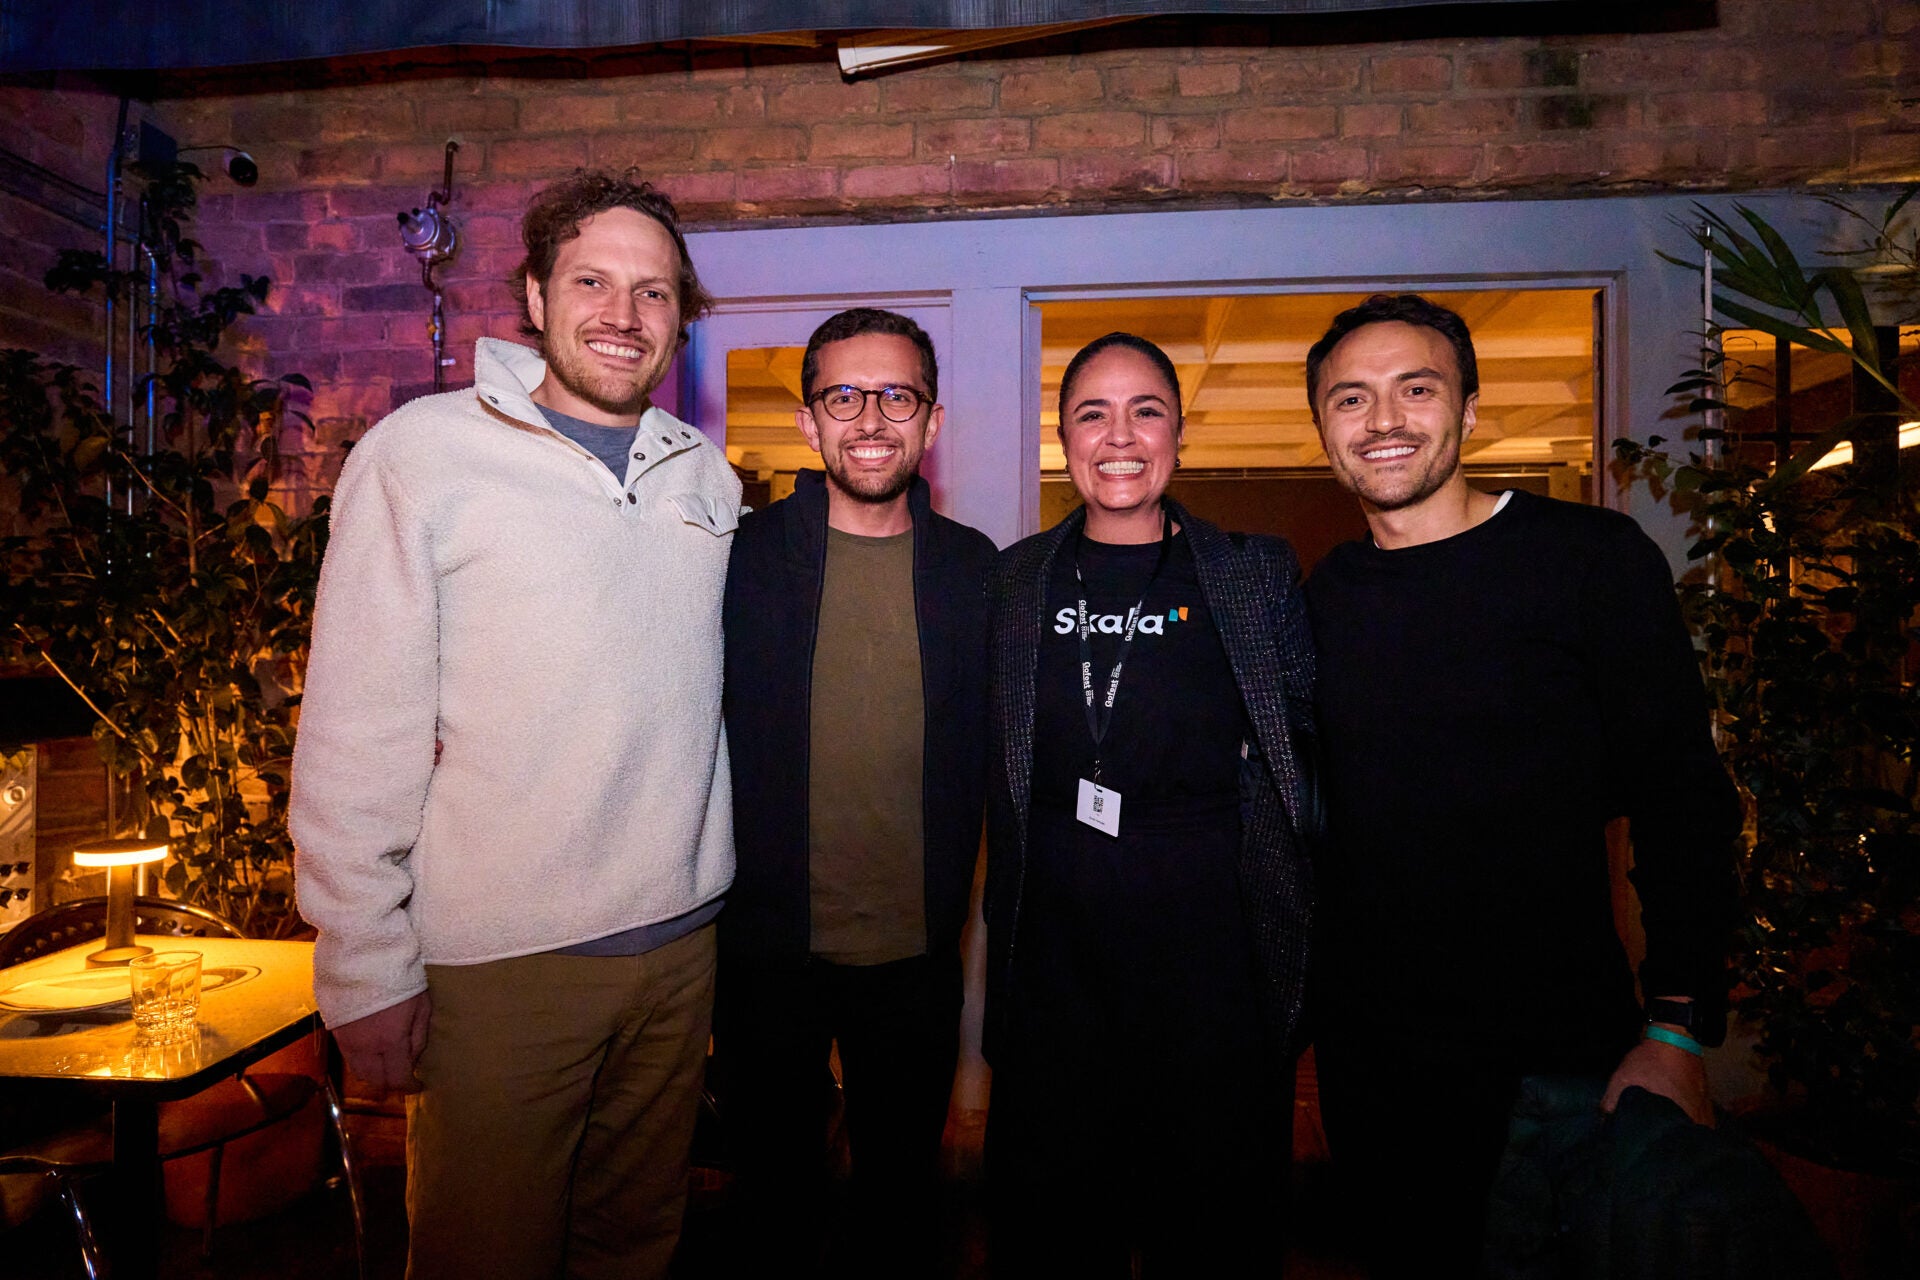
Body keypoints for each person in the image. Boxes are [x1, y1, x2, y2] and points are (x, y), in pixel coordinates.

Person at [290, 171, 740, 1280]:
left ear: (680, 316)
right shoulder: (424, 453)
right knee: (482, 1253)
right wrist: (363, 963)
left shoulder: (707, 475)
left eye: (654, 291)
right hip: (500, 967)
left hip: (682, 949)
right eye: (592, 280)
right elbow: (358, 723)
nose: (623, 314)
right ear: (534, 295)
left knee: (634, 1247)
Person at [1300, 293, 1741, 1277]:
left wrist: (1676, 1022)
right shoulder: (1323, 596)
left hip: (1556, 1060)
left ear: (1466, 408)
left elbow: (1683, 797)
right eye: (1351, 398)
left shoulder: (1588, 562)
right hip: (1375, 1071)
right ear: (1324, 426)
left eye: (1415, 389)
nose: (1383, 422)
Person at [982, 332, 1317, 1276]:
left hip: (1211, 956)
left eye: (1146, 411)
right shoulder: (1011, 581)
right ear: (1062, 436)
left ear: (1179, 433)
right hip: (1053, 958)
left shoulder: (1253, 574)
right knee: (1051, 1224)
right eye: (1092, 412)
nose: (1119, 435)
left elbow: (1307, 750)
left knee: (1211, 1223)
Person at [717, 308, 996, 1275]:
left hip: (915, 954)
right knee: (775, 1205)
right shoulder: (742, 563)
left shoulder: (974, 573)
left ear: (932, 422)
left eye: (896, 396)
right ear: (808, 421)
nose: (870, 418)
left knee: (897, 1207)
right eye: (843, 395)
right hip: (763, 954)